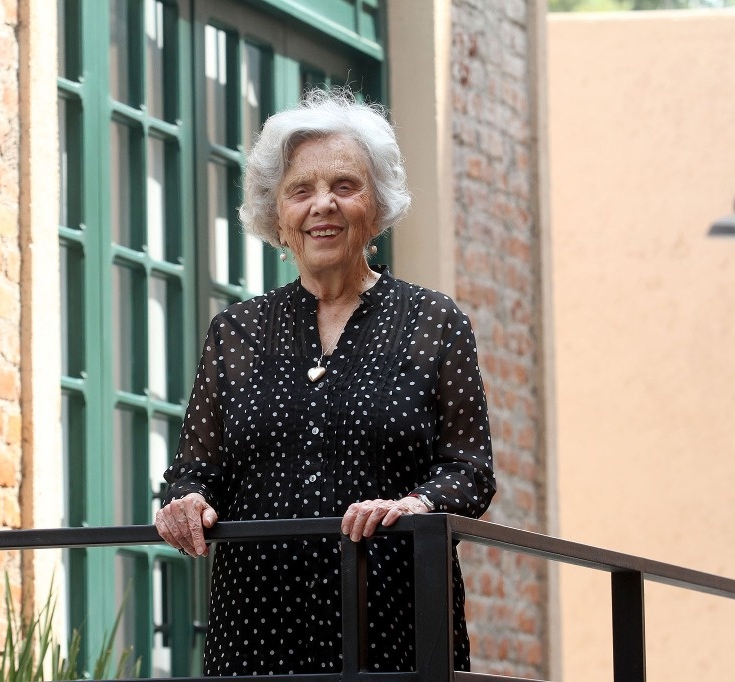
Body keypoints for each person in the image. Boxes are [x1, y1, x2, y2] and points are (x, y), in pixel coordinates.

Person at [154, 88, 495, 675]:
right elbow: (194, 471)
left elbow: (470, 470)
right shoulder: (237, 332)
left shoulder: (433, 322)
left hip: (393, 624)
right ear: (277, 214)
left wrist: (414, 504)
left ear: (377, 204)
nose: (322, 206)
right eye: (301, 191)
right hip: (254, 628)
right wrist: (184, 503)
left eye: (344, 186)